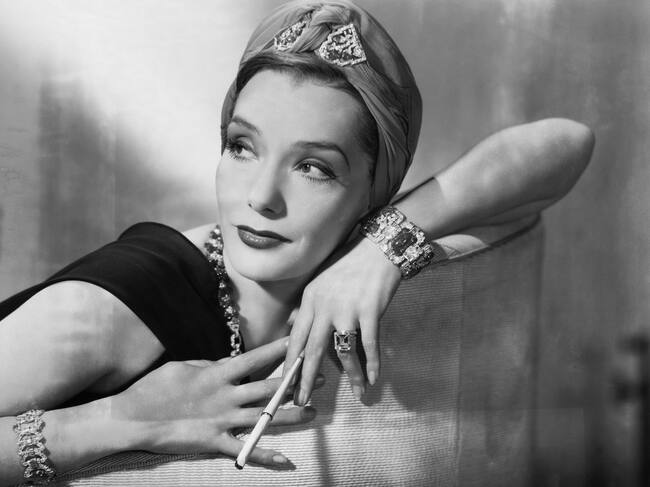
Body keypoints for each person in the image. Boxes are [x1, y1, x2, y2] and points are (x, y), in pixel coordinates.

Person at [0, 0, 594, 484]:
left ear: (374, 190)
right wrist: (120, 419)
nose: (261, 197)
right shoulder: (106, 309)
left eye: (314, 167)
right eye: (242, 146)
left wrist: (385, 244)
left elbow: (567, 144)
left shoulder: (362, 253)